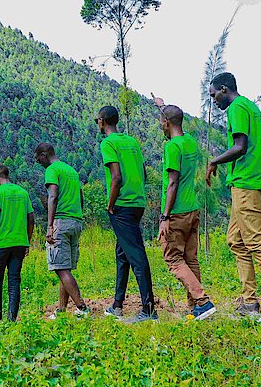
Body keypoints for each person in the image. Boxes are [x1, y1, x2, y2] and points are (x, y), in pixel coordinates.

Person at [205, 73, 261, 320]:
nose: (214, 100)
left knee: (256, 241)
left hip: (247, 183)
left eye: (214, 95)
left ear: (224, 89)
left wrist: (214, 161)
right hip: (253, 181)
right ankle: (249, 301)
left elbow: (240, 146)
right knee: (235, 239)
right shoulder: (252, 108)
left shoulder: (237, 108)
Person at [96, 105, 157, 323]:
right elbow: (143, 173)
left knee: (136, 255)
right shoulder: (132, 142)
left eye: (97, 120)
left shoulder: (108, 143)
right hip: (138, 202)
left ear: (102, 121)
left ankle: (149, 309)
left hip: (121, 205)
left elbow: (116, 177)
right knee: (122, 253)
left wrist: (110, 204)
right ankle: (117, 305)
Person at [156, 105, 216, 321]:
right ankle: (197, 308)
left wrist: (165, 217)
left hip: (177, 212)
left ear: (166, 123)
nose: (160, 125)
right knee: (190, 259)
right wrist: (162, 106)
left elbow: (172, 183)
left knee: (173, 259)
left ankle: (202, 301)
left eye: (161, 121)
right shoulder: (189, 141)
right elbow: (174, 118)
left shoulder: (172, 147)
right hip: (193, 208)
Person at [34, 142, 90, 319]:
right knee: (65, 268)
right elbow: (81, 197)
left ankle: (82, 308)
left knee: (60, 269)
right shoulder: (71, 171)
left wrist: (50, 226)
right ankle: (62, 310)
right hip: (76, 221)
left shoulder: (52, 170)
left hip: (61, 222)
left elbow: (53, 196)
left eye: (38, 160)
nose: (39, 163)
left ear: (44, 155)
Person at [0, 165, 35, 322]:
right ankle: (12, 319)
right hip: (19, 243)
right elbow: (31, 219)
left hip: (1, 243)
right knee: (14, 280)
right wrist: (27, 242)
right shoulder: (23, 192)